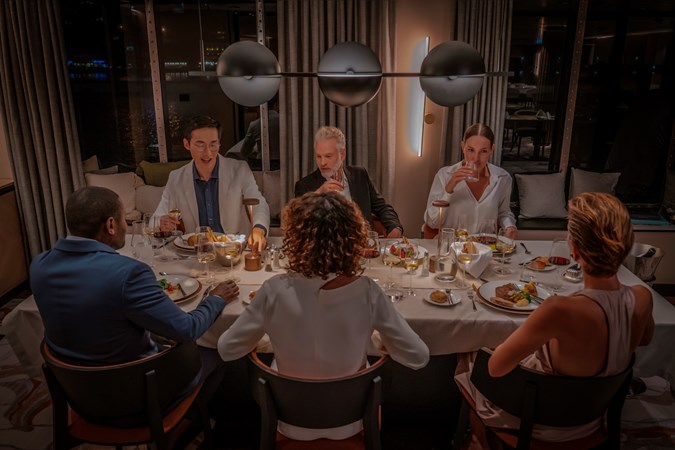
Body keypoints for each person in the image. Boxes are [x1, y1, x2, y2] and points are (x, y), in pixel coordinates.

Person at [217, 191, 429, 441]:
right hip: (352, 420)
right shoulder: (367, 291)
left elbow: (227, 349)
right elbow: (418, 356)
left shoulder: (274, 290)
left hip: (290, 419)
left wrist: (270, 337)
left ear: (295, 240)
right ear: (352, 240)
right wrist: (377, 341)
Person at [455, 192, 654, 446]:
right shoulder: (642, 298)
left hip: (540, 423)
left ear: (574, 250)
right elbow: (644, 339)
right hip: (592, 419)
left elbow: (496, 368)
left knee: (469, 353)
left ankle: (477, 440)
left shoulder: (559, 309)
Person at [31, 187, 240, 421]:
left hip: (78, 395)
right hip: (132, 399)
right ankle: (187, 423)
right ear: (111, 225)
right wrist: (216, 298)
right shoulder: (128, 273)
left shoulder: (39, 265)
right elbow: (187, 329)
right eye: (124, 220)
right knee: (220, 347)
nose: (126, 227)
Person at [153, 115, 270, 252]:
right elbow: (155, 219)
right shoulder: (176, 178)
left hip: (234, 251)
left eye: (213, 144)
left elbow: (259, 203)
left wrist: (259, 229)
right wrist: (161, 224)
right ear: (187, 144)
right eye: (200, 145)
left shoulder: (239, 169)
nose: (208, 153)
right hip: (197, 254)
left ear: (219, 143)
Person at [294, 126, 403, 238]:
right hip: (326, 246)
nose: (322, 163)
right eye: (318, 156)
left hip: (364, 243)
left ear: (342, 154)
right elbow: (297, 221)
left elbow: (382, 207)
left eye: (328, 156)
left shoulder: (360, 175)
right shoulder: (304, 185)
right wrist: (318, 194)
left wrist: (395, 227)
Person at [424, 123, 517, 238]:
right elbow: (432, 222)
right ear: (463, 146)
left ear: (492, 150)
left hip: (486, 246)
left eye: (483, 151)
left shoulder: (503, 178)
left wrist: (510, 226)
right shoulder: (444, 175)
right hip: (451, 246)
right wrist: (449, 189)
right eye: (471, 150)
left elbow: (504, 212)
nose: (476, 158)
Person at [240, 97, 280, 171]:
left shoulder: (255, 124)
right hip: (283, 164)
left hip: (261, 165)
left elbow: (244, 151)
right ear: (276, 105)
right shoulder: (286, 122)